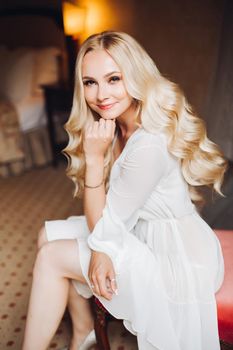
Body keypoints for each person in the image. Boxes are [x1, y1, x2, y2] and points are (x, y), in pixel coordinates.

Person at [22, 31, 227, 350]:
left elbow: (105, 226)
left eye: (113, 79)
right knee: (46, 235)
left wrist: (93, 159)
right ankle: (82, 332)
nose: (101, 94)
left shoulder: (149, 145)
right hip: (136, 229)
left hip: (173, 256)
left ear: (135, 77)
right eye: (90, 82)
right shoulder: (117, 123)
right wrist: (100, 245)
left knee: (51, 257)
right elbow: (107, 222)